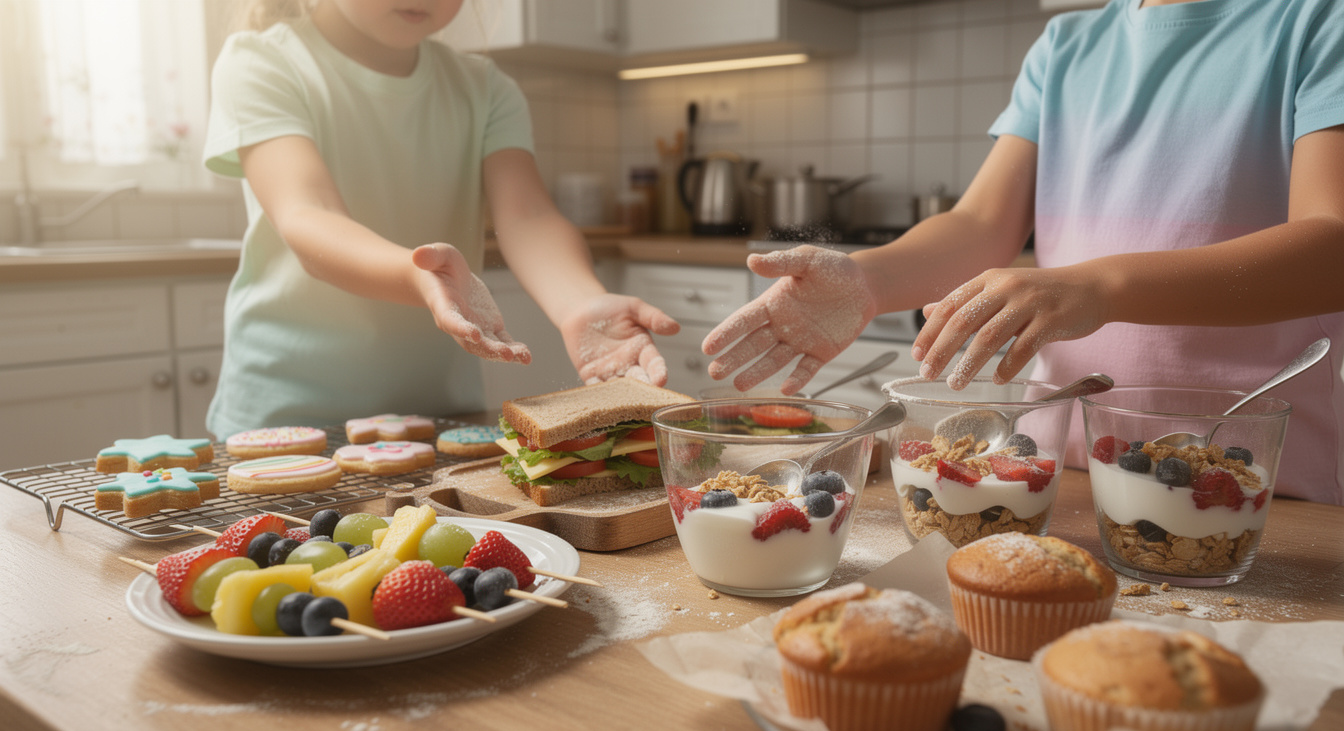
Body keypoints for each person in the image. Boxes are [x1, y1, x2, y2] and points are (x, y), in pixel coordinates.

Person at [702, 0, 1344, 504]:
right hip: (1061, 467)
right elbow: (982, 222)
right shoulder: (1066, 46)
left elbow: (1331, 243)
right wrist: (868, 280)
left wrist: (1101, 287)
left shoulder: (1319, 19)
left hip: (1254, 472)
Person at [203, 0, 679, 440]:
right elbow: (309, 213)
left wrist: (579, 302)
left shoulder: (485, 87)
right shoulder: (263, 61)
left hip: (436, 418)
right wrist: (416, 275)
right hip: (284, 423)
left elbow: (529, 216)